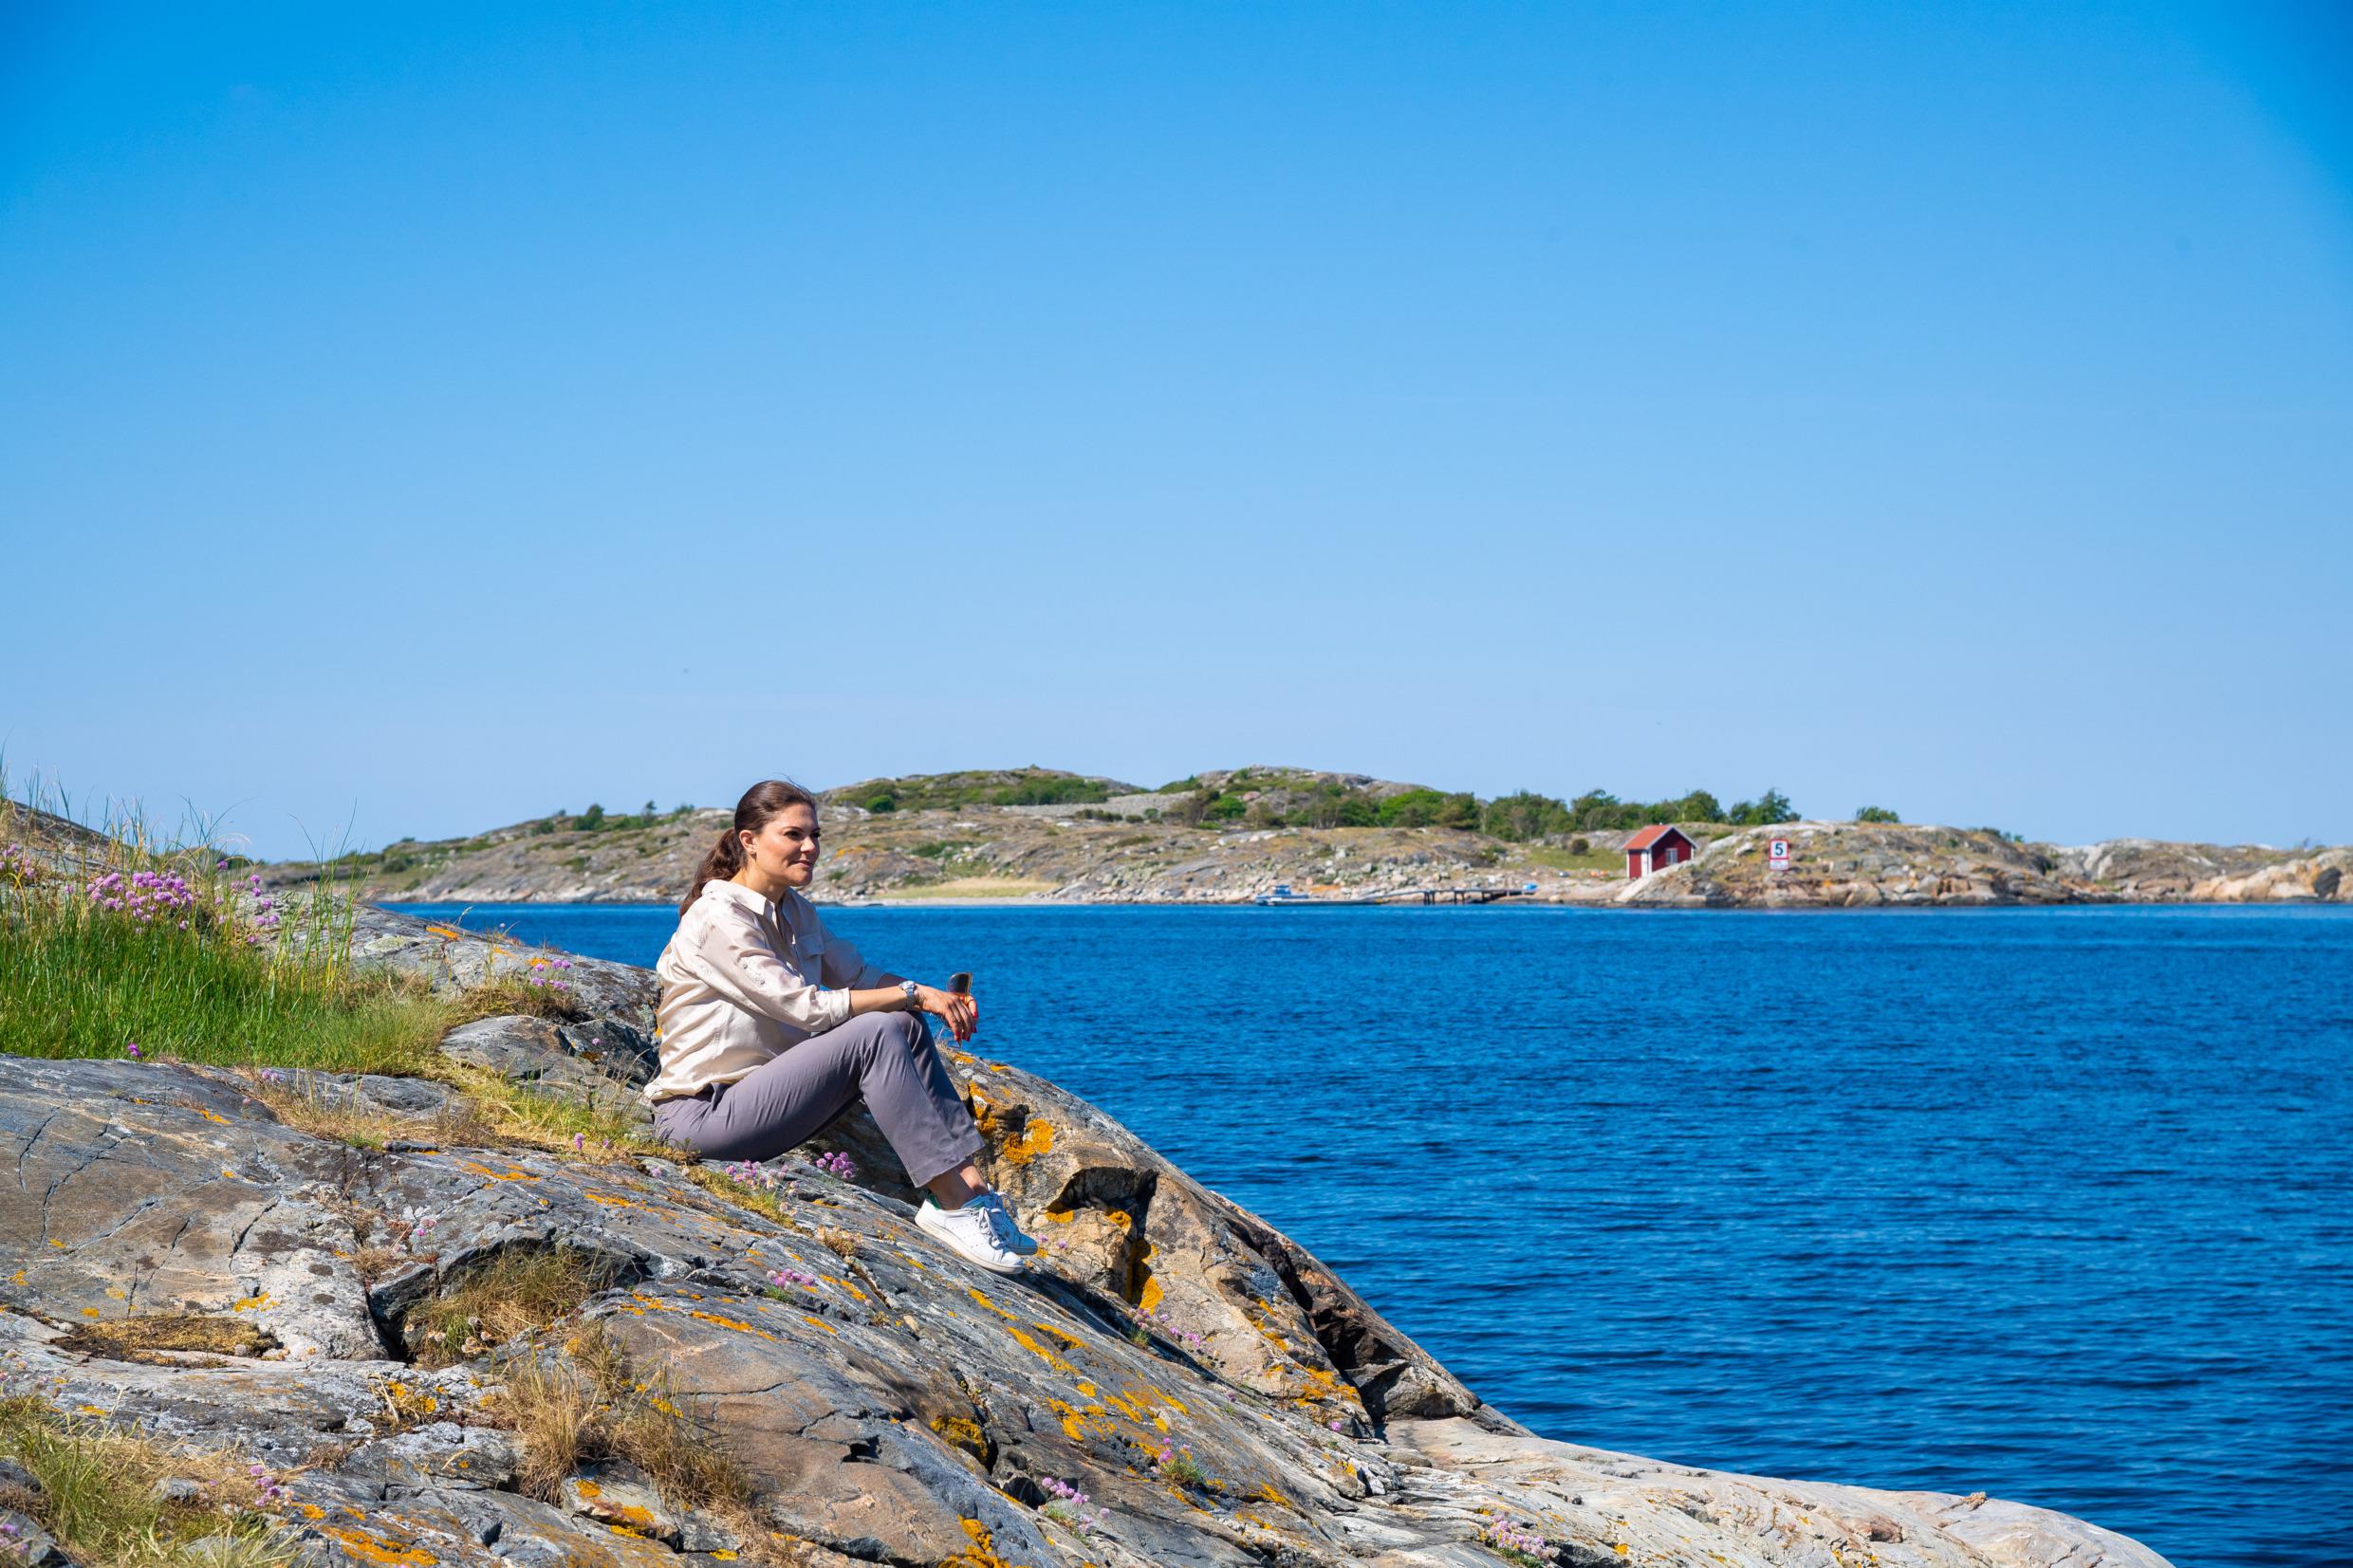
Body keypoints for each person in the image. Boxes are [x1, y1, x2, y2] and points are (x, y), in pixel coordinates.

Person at [646, 779, 1039, 1274]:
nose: (810, 847)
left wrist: (930, 998)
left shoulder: (794, 910)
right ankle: (952, 1205)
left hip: (762, 1104)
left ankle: (969, 1192)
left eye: (815, 835)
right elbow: (803, 1007)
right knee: (879, 1029)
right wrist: (913, 993)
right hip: (701, 1119)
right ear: (748, 840)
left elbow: (857, 977)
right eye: (793, 835)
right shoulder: (717, 917)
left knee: (902, 1021)